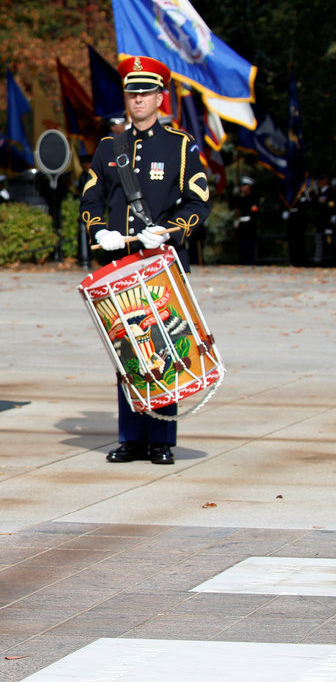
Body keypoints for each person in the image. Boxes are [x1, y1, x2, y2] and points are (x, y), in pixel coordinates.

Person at [79, 55, 211, 466]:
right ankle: (132, 436)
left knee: (164, 346)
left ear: (160, 97)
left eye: (146, 93)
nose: (138, 100)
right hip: (121, 261)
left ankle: (161, 438)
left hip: (160, 260)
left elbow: (199, 200)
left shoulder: (179, 145)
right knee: (127, 347)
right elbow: (90, 196)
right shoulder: (108, 147)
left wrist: (170, 230)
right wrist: (98, 229)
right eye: (132, 93)